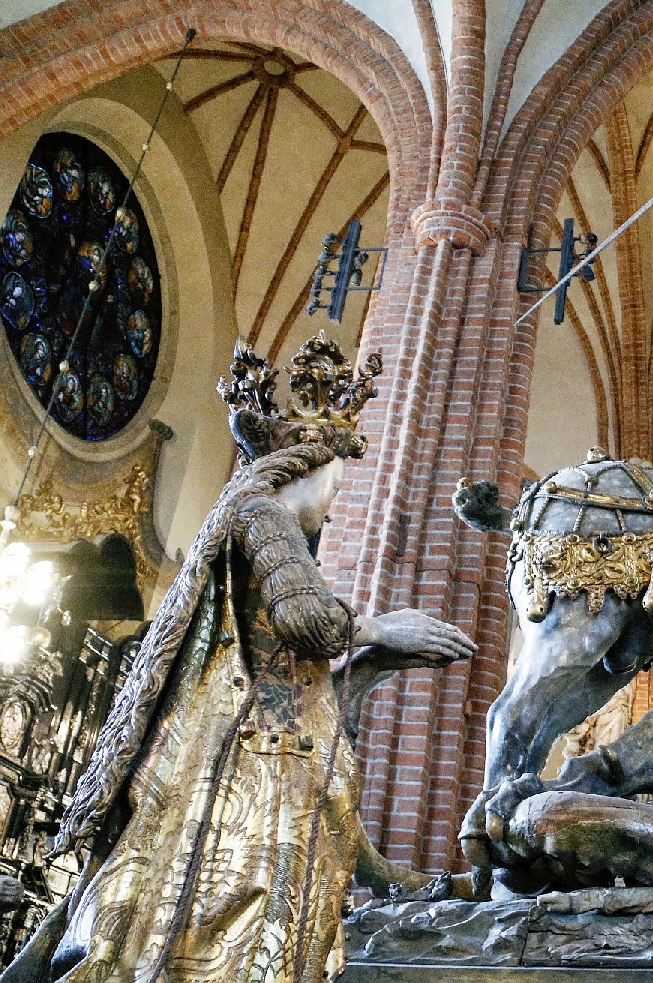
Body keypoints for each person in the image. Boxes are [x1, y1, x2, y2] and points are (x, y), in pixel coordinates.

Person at [5, 333, 475, 983]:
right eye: (335, 480)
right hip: (241, 756)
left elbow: (294, 678)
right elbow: (303, 617)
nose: (335, 503)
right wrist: (382, 627)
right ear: (309, 464)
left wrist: (377, 663)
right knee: (234, 900)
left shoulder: (258, 514)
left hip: (261, 739)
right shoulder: (263, 509)